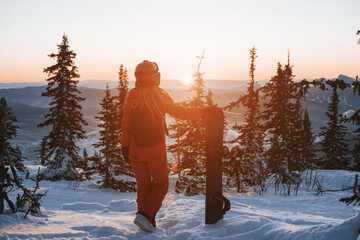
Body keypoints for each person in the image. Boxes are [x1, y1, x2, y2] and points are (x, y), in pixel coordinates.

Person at [120, 60, 203, 232]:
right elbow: (181, 112)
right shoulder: (160, 96)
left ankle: (147, 221)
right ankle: (144, 216)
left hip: (135, 150)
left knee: (143, 187)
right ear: (156, 76)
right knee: (160, 185)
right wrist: (204, 112)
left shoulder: (131, 97)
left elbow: (126, 126)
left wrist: (124, 147)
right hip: (155, 150)